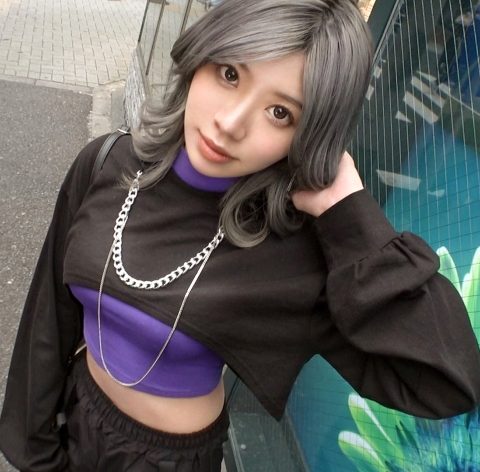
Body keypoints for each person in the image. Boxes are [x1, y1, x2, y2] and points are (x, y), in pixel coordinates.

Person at [1, 0, 480, 470]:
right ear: (203, 54)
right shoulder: (108, 163)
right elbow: (50, 316)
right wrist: (37, 452)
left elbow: (447, 381)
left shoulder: (293, 252)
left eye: (280, 113)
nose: (229, 124)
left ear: (309, 135)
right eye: (230, 74)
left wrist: (350, 216)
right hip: (78, 415)